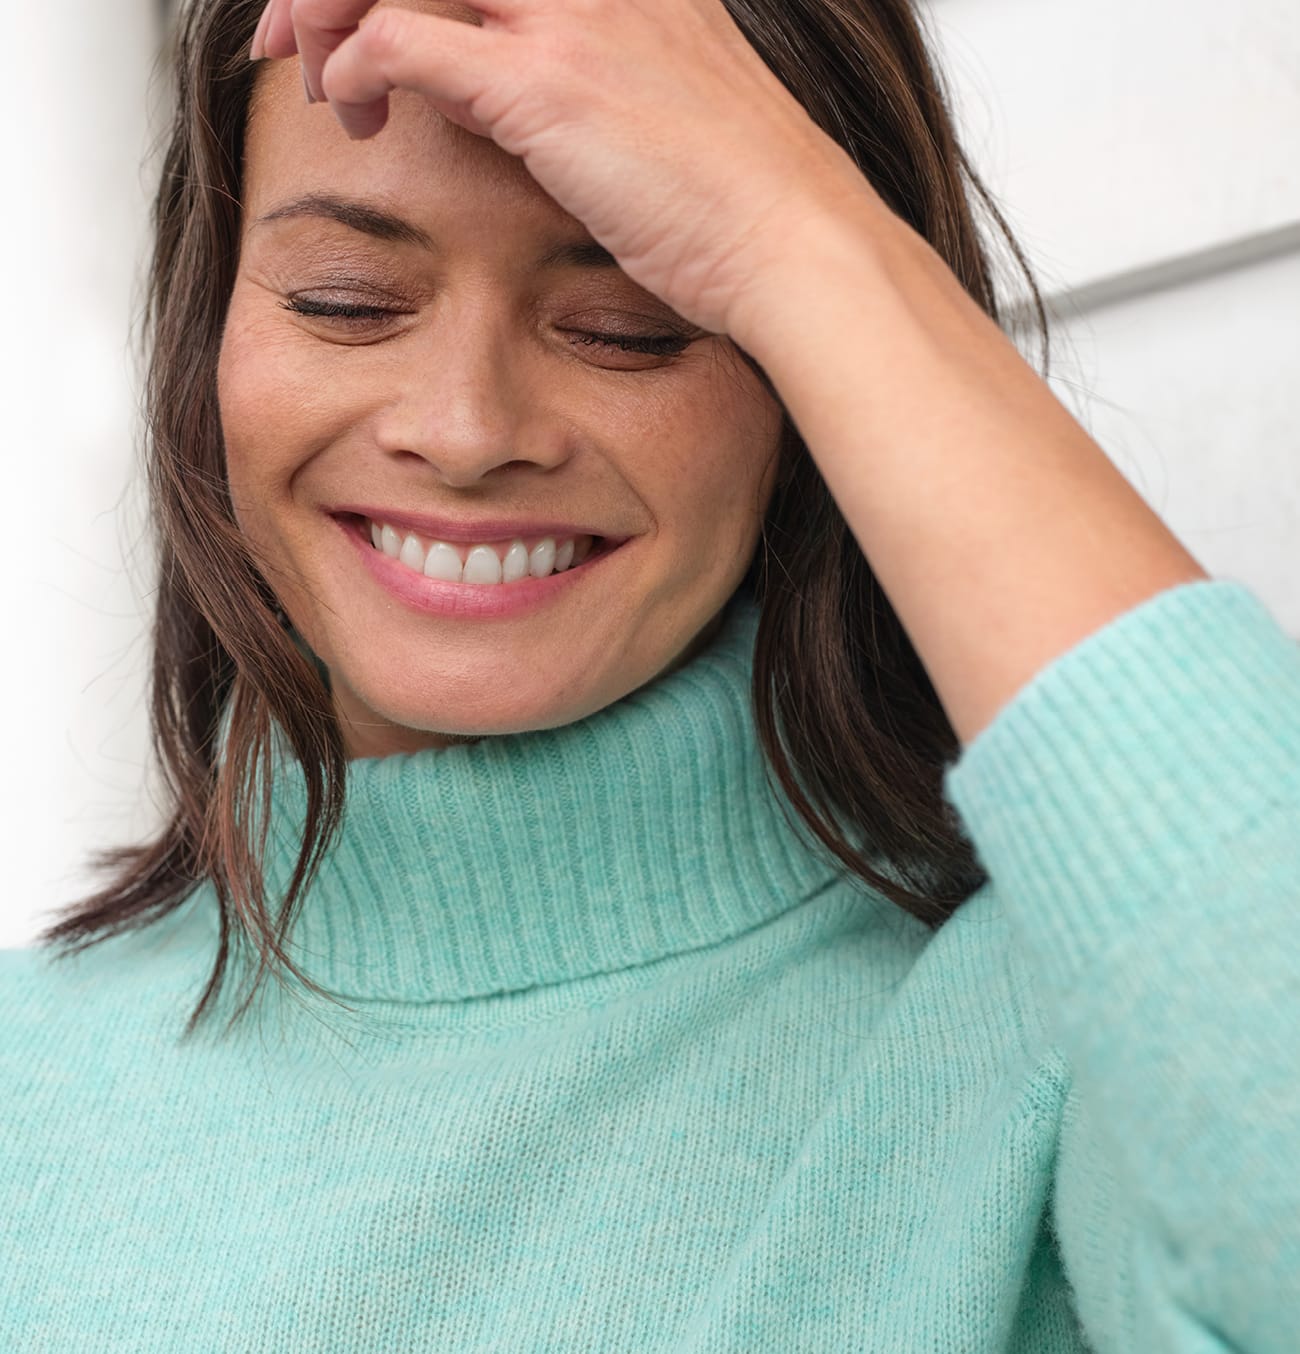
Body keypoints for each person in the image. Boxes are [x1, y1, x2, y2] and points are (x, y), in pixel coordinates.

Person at [2, 0, 1297, 1347]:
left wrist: (798, 230)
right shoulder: (24, 1084)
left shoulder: (1080, 1043)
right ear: (210, 327)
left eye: (628, 324)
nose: (464, 431)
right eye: (349, 300)